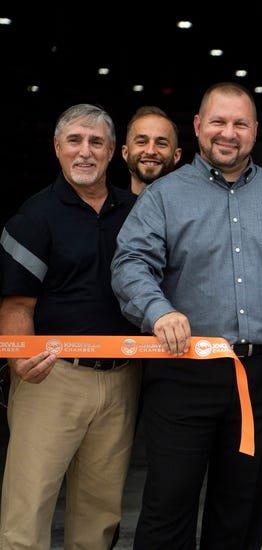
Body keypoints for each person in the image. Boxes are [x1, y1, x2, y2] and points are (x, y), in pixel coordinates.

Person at [111, 82, 262, 548]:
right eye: (218, 122)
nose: (228, 133)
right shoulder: (163, 196)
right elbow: (130, 264)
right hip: (182, 371)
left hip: (261, 375)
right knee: (168, 507)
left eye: (240, 124)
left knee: (243, 509)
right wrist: (158, 311)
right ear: (197, 126)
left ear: (255, 131)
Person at [0, 104, 140, 549]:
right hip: (51, 376)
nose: (85, 151)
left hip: (122, 378)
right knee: (28, 513)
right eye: (75, 141)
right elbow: (16, 303)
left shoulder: (136, 212)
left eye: (96, 142)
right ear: (57, 147)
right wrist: (21, 360)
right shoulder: (34, 216)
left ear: (112, 151)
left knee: (100, 517)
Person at [121, 106, 182, 195]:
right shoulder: (110, 204)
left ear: (176, 156)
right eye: (141, 142)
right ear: (125, 153)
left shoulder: (193, 203)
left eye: (161, 144)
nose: (150, 151)